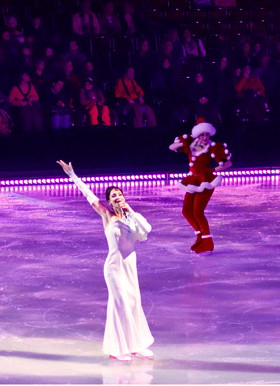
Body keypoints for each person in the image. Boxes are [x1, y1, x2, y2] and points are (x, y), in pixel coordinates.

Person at [56, 159, 154, 362]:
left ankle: (136, 346)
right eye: (113, 196)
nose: (117, 197)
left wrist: (131, 211)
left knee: (134, 303)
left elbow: (146, 231)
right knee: (120, 304)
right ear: (109, 201)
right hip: (114, 267)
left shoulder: (132, 217)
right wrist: (72, 175)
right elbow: (90, 196)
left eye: (119, 194)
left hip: (130, 266)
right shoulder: (108, 216)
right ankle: (116, 349)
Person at [168, 120, 233, 253]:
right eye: (202, 134)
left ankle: (208, 241)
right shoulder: (191, 145)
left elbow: (228, 163)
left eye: (207, 134)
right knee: (186, 211)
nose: (205, 137)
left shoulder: (213, 147)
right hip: (192, 180)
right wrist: (187, 141)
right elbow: (172, 147)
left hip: (205, 181)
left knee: (198, 211)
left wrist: (213, 170)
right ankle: (200, 237)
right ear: (197, 135)